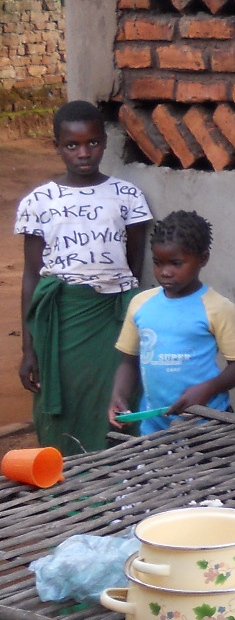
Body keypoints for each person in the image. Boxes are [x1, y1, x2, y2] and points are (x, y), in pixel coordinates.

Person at [15, 100, 152, 453]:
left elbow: (134, 267)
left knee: (117, 397)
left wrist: (124, 312)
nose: (83, 153)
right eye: (72, 145)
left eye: (92, 142)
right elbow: (32, 276)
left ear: (104, 142)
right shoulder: (39, 201)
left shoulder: (126, 196)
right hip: (62, 318)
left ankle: (115, 480)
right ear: (57, 146)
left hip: (112, 316)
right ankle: (66, 479)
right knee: (64, 397)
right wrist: (29, 348)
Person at [108, 211, 235, 434]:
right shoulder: (140, 303)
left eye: (176, 263)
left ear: (203, 258)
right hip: (155, 426)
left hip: (207, 425)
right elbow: (128, 362)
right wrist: (119, 396)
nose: (165, 272)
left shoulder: (218, 308)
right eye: (158, 263)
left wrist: (206, 389)